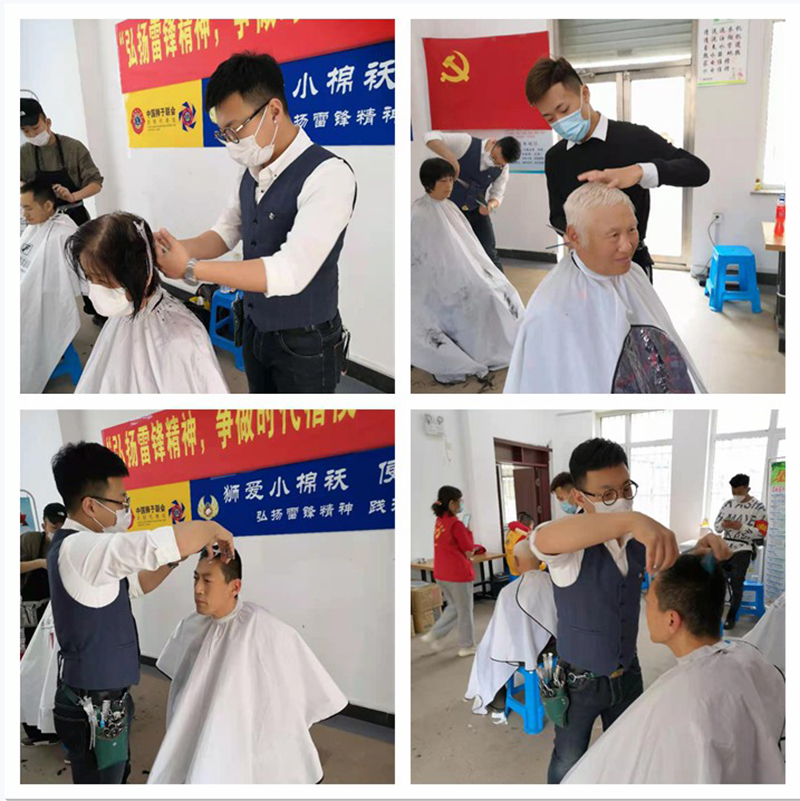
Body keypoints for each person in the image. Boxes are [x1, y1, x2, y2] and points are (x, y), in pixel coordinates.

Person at [154, 51, 356, 393]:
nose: (231, 143)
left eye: (235, 130)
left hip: (305, 341)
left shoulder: (329, 176)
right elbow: (224, 233)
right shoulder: (251, 170)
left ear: (274, 111)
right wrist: (168, 248)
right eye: (223, 134)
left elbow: (289, 271)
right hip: (254, 326)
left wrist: (190, 268)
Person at [47, 441, 236, 784]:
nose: (125, 509)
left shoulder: (91, 555)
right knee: (101, 781)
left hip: (106, 700)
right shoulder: (81, 547)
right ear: (90, 505)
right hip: (93, 706)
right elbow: (153, 545)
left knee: (114, 773)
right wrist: (212, 528)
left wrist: (176, 559)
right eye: (121, 501)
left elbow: (136, 584)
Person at [529, 437, 678, 783]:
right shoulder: (570, 547)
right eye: (607, 494)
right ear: (580, 498)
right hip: (578, 683)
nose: (621, 500)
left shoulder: (636, 539)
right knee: (568, 758)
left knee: (625, 752)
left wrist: (704, 549)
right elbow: (540, 539)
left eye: (626, 489)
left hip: (628, 672)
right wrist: (632, 519)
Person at [562, 554, 785, 783]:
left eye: (648, 602)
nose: (645, 610)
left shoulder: (683, 706)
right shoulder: (749, 658)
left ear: (671, 620)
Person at [148, 548, 347, 784]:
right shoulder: (192, 625)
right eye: (195, 578)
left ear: (235, 587)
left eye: (207, 581)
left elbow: (293, 689)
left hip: (248, 738)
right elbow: (183, 686)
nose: (198, 589)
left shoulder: (264, 629)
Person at [504, 183, 706, 394]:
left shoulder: (634, 273)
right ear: (575, 236)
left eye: (632, 230)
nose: (627, 246)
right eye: (613, 235)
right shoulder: (551, 308)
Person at [525, 56, 710, 281]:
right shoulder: (555, 158)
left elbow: (698, 171)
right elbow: (557, 214)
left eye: (563, 109)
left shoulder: (634, 138)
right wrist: (572, 234)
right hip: (584, 266)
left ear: (585, 94)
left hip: (631, 264)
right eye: (550, 118)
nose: (559, 122)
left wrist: (638, 172)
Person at [64, 213, 229, 394]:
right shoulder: (122, 314)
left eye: (102, 280)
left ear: (139, 272)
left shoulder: (182, 338)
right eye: (89, 278)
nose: (94, 288)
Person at [411, 158, 524, 384]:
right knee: (479, 297)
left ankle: (504, 342)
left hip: (462, 269)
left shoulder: (450, 207)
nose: (449, 186)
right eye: (443, 181)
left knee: (502, 290)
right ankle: (479, 348)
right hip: (437, 280)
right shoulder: (418, 213)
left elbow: (469, 247)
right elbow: (419, 260)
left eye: (451, 180)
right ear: (428, 183)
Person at [465, 539, 557, 715]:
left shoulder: (509, 592)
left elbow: (501, 632)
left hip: (530, 653)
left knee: (486, 650)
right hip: (557, 647)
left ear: (515, 561)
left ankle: (497, 700)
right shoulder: (554, 581)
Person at [424, 131, 521, 272]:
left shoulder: (503, 168)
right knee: (451, 250)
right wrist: (452, 159)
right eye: (493, 158)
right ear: (493, 142)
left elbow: (497, 193)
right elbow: (430, 137)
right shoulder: (466, 143)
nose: (494, 163)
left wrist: (491, 205)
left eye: (498, 163)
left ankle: (500, 285)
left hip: (476, 209)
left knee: (489, 251)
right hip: (450, 210)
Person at [20, 180, 82, 393]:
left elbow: (64, 282)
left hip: (43, 298)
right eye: (22, 208)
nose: (24, 215)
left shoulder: (63, 233)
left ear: (47, 206)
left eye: (28, 208)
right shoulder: (34, 228)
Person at [20, 97, 103, 227]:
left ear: (48, 123)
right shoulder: (24, 153)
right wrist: (36, 192)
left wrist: (72, 196)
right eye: (25, 131)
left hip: (74, 218)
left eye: (36, 128)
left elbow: (96, 184)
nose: (32, 134)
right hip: (42, 222)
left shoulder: (73, 148)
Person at [420, 486, 477, 656]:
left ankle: (434, 634)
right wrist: (468, 531)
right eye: (460, 501)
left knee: (454, 606)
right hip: (458, 575)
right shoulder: (456, 524)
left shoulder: (440, 521)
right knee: (464, 611)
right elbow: (469, 550)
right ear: (452, 503)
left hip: (441, 573)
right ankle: (467, 646)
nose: (461, 504)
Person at [714, 473, 768, 629]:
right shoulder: (727, 505)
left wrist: (741, 527)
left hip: (744, 547)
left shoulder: (758, 507)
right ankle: (714, 614)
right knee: (714, 578)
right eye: (733, 492)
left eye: (738, 492)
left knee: (737, 580)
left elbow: (761, 532)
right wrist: (724, 525)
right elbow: (717, 527)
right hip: (725, 545)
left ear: (747, 489)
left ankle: (731, 616)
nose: (735, 495)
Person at [21, 502, 66, 647]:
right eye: (54, 528)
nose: (58, 533)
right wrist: (40, 563)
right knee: (36, 648)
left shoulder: (71, 543)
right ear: (44, 525)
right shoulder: (29, 541)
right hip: (35, 612)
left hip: (63, 609)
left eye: (62, 528)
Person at [504, 511, 534, 576]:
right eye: (532, 525)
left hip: (512, 569)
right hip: (522, 570)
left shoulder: (510, 532)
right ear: (529, 524)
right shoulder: (525, 535)